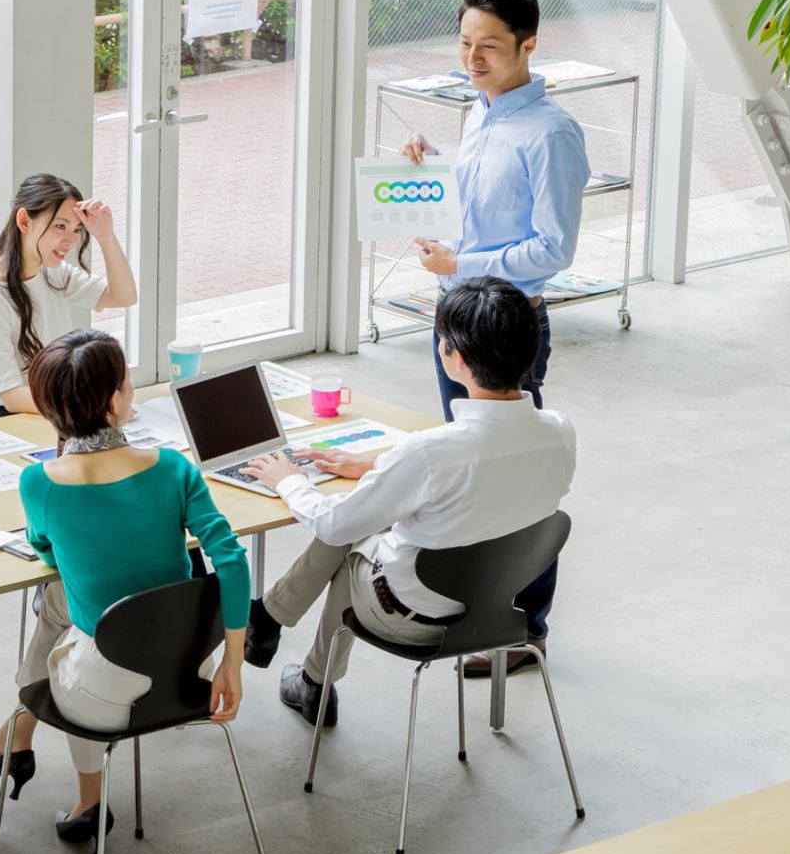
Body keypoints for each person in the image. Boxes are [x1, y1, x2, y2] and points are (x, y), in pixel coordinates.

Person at [240, 277, 576, 727]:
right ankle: (283, 637)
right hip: (498, 610)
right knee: (374, 515)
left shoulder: (429, 455)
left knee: (353, 537)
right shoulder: (559, 432)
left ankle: (307, 671)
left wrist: (290, 481)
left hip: (417, 616)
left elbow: (333, 524)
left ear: (453, 356)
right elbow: (482, 463)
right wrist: (376, 467)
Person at [0, 330, 248, 842]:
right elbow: (229, 557)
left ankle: (85, 795)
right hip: (190, 672)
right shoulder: (174, 469)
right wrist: (232, 663)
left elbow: (46, 550)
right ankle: (16, 739)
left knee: (69, 641)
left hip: (104, 694)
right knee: (65, 611)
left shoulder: (40, 482)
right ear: (116, 401)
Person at [400, 0, 587, 675]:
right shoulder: (479, 113)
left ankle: (523, 628)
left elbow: (554, 248)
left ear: (529, 46)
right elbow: (483, 202)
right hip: (455, 312)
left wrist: (464, 258)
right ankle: (477, 607)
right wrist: (432, 167)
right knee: (469, 469)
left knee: (519, 477)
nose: (472, 60)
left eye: (490, 48)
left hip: (508, 323)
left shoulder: (553, 133)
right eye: (465, 43)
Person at [0, 174, 137, 421]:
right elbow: (12, 397)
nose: (71, 241)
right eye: (60, 226)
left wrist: (106, 237)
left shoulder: (53, 273)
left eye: (76, 230)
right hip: (7, 418)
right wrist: (91, 408)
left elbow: (123, 296)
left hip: (55, 407)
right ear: (24, 221)